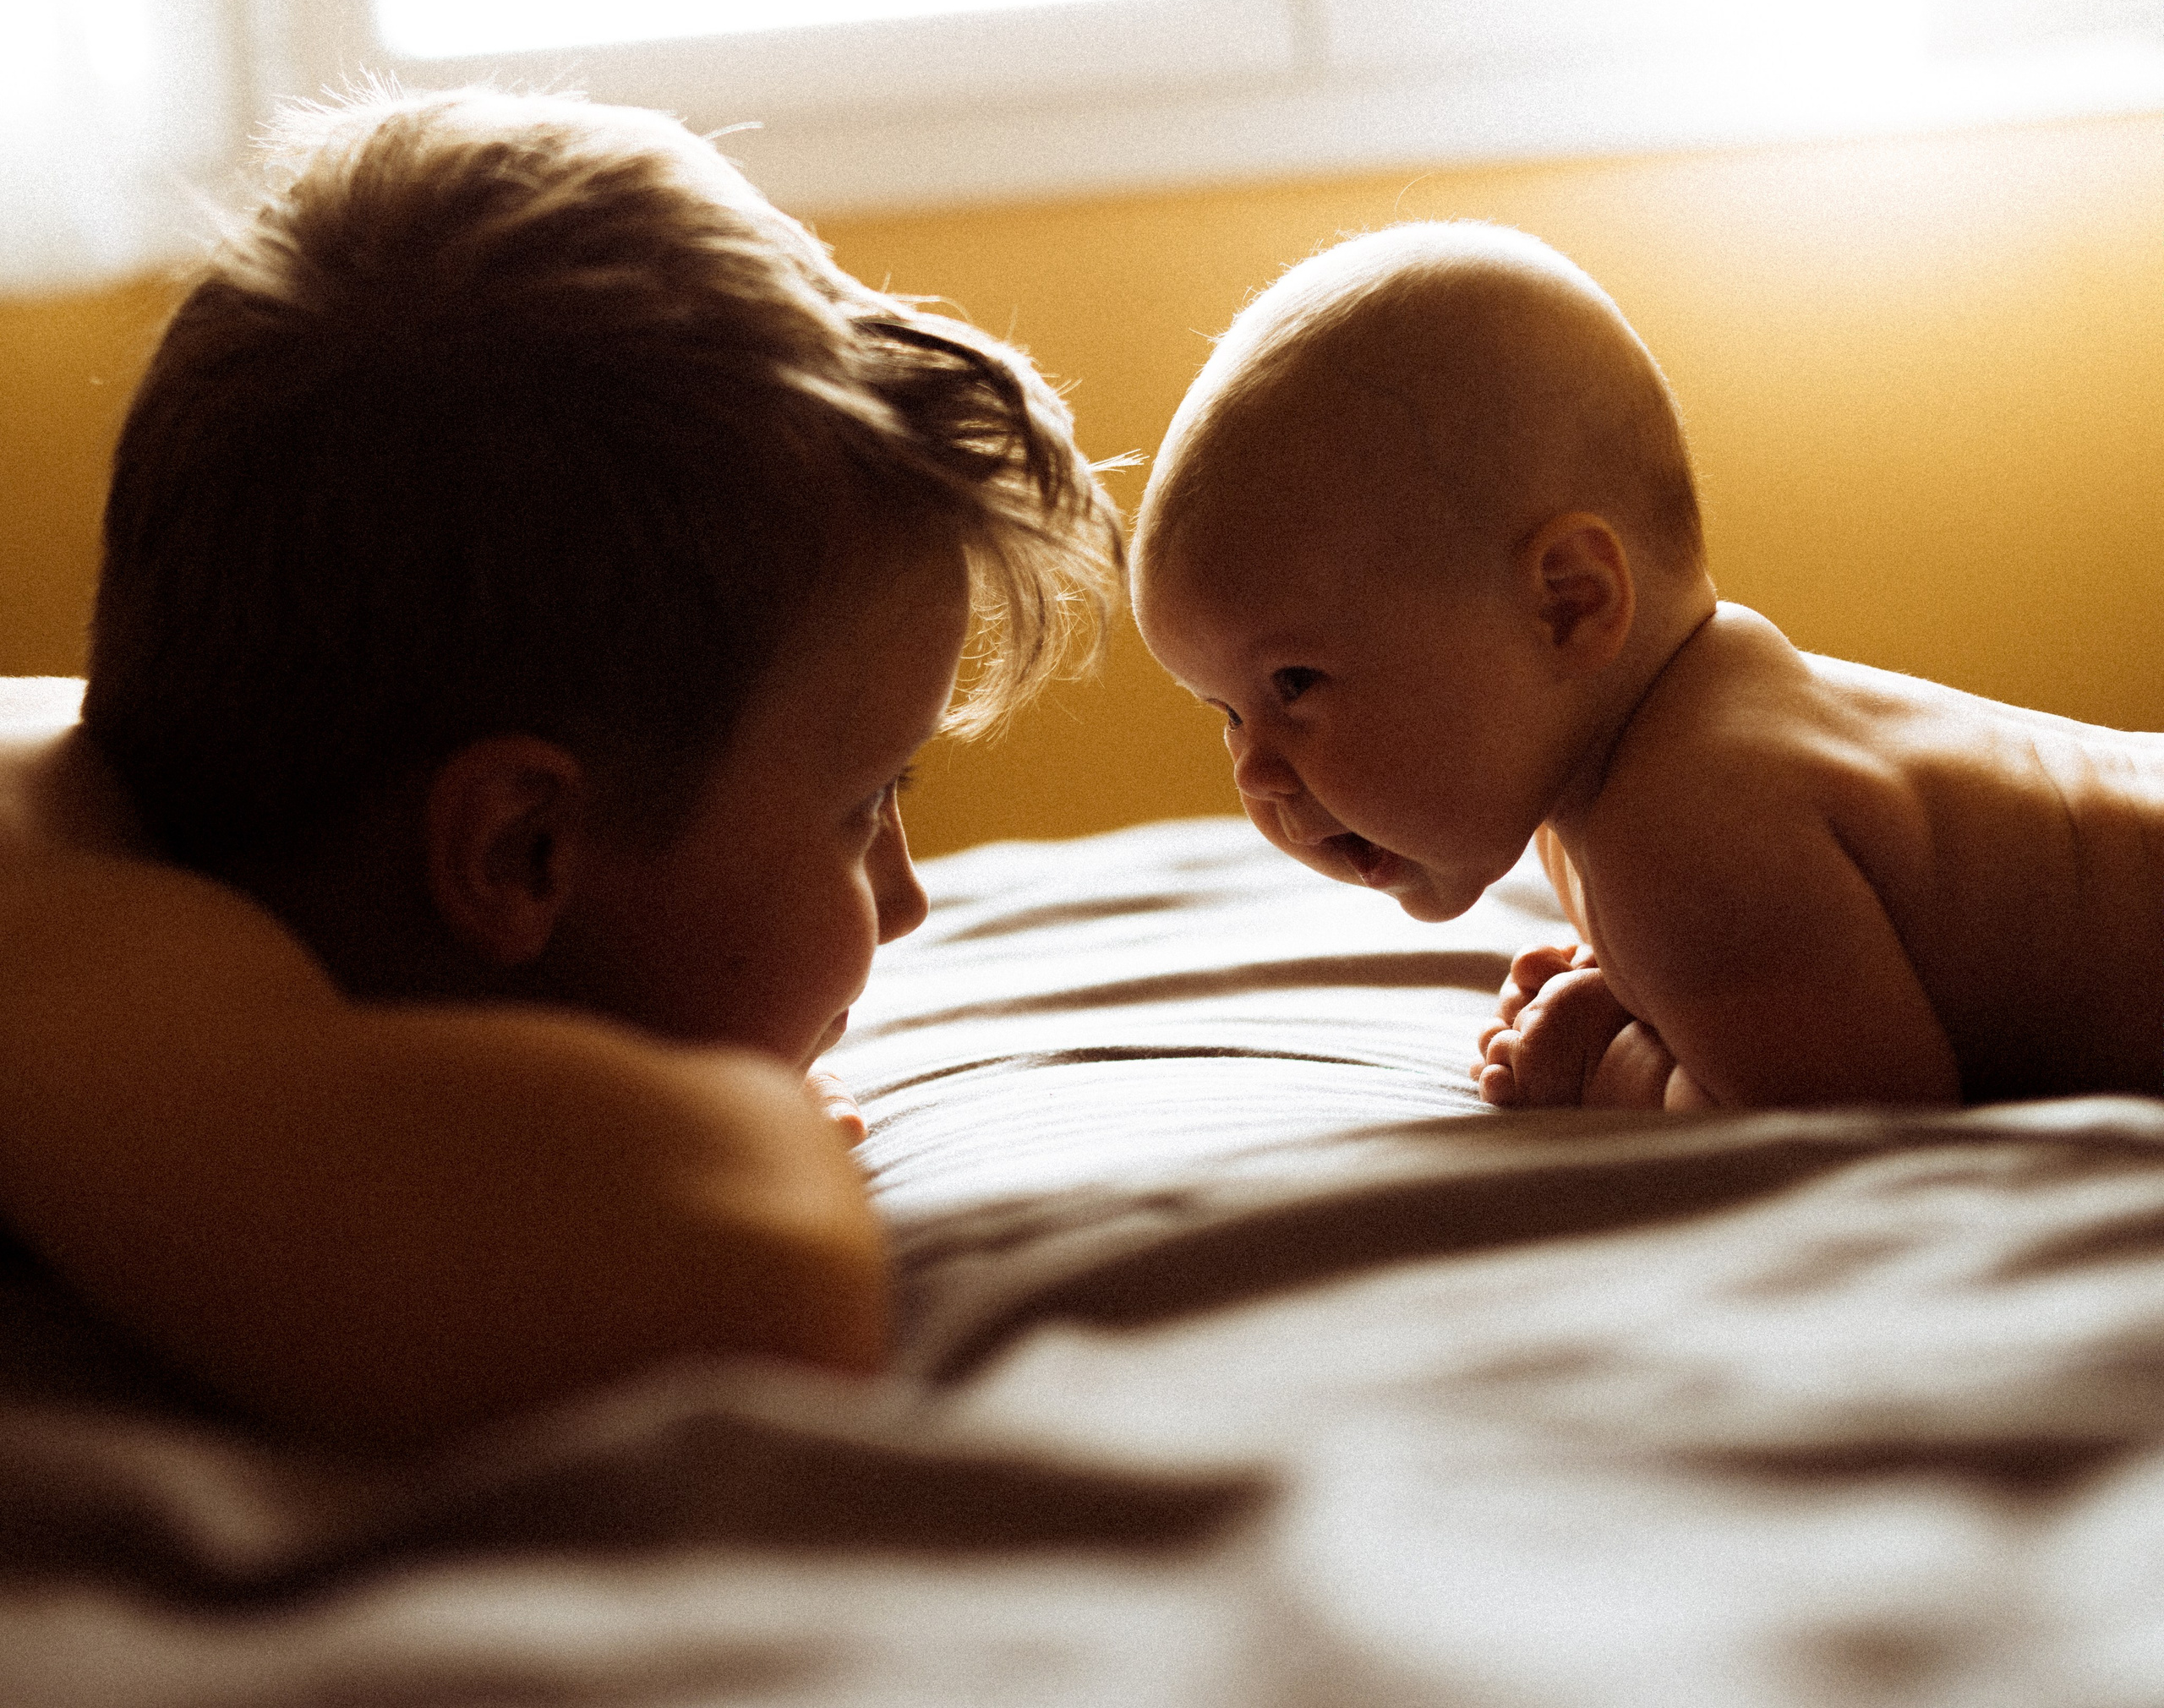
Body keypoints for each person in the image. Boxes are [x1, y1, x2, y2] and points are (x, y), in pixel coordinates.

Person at [0, 88, 1119, 1452]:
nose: (903, 903)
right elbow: (768, 1270)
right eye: (862, 810)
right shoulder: (75, 955)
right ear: (518, 849)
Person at [1130, 220, 2164, 1116]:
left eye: (1295, 684)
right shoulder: (1681, 736)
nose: (1253, 771)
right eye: (1223, 711)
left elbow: (1852, 1121)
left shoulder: (1686, 833)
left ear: (1568, 603)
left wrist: (1617, 1067)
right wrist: (1662, 990)